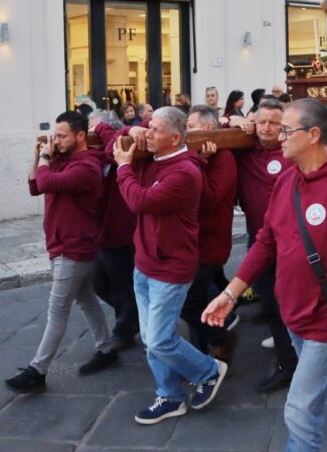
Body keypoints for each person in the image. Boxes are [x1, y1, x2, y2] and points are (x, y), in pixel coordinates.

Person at [201, 99, 327, 452]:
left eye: (287, 130)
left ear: (313, 134)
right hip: (293, 313)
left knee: (300, 411)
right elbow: (266, 241)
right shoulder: (288, 179)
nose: (279, 136)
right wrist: (230, 294)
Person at [113, 107, 227, 424]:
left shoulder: (185, 172)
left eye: (154, 130)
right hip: (145, 263)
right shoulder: (155, 157)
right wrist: (128, 133)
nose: (148, 134)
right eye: (147, 128)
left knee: (160, 339)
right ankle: (170, 395)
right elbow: (115, 137)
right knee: (152, 339)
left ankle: (209, 370)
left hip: (171, 268)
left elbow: (140, 202)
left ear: (176, 138)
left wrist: (124, 168)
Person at [6, 111, 116, 394]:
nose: (56, 140)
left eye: (62, 136)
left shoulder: (88, 167)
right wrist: (38, 156)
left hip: (75, 246)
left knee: (57, 310)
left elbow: (45, 183)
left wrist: (45, 158)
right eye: (55, 135)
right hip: (61, 244)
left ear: (80, 136)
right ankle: (106, 349)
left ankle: (37, 370)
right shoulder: (61, 160)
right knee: (86, 299)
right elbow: (34, 186)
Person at [233, 98, 297, 393]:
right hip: (262, 244)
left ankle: (306, 358)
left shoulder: (293, 153)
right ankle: (288, 363)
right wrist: (232, 121)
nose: (267, 128)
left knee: (298, 304)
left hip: (295, 245)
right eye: (262, 122)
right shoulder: (245, 150)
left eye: (274, 122)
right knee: (270, 304)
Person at [182, 105, 238, 363]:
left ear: (207, 129)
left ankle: (220, 338)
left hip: (210, 242)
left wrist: (199, 163)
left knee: (191, 302)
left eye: (190, 126)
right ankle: (201, 353)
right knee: (200, 297)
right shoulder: (195, 155)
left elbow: (209, 199)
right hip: (192, 241)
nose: (186, 132)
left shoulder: (223, 158)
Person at [88, 113, 139, 351]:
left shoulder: (124, 151)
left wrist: (102, 128)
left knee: (121, 282)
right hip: (102, 231)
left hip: (120, 231)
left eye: (96, 127)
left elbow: (112, 149)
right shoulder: (97, 154)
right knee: (98, 280)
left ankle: (125, 327)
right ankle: (133, 314)